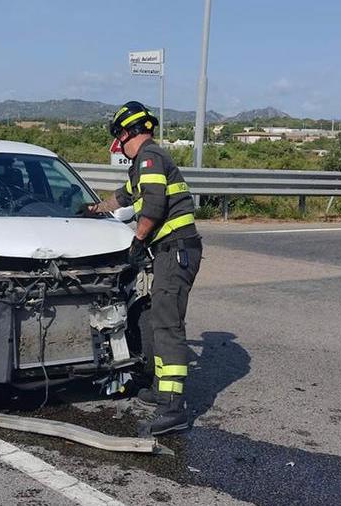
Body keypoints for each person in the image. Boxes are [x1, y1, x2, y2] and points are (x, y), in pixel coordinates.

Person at [86, 101, 202, 436]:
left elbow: (153, 205)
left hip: (175, 251)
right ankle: (161, 390)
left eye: (119, 137)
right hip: (172, 251)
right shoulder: (144, 163)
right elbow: (124, 198)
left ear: (127, 132)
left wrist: (137, 242)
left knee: (168, 326)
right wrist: (94, 208)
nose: (119, 145)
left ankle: (173, 409)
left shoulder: (149, 157)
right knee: (163, 323)